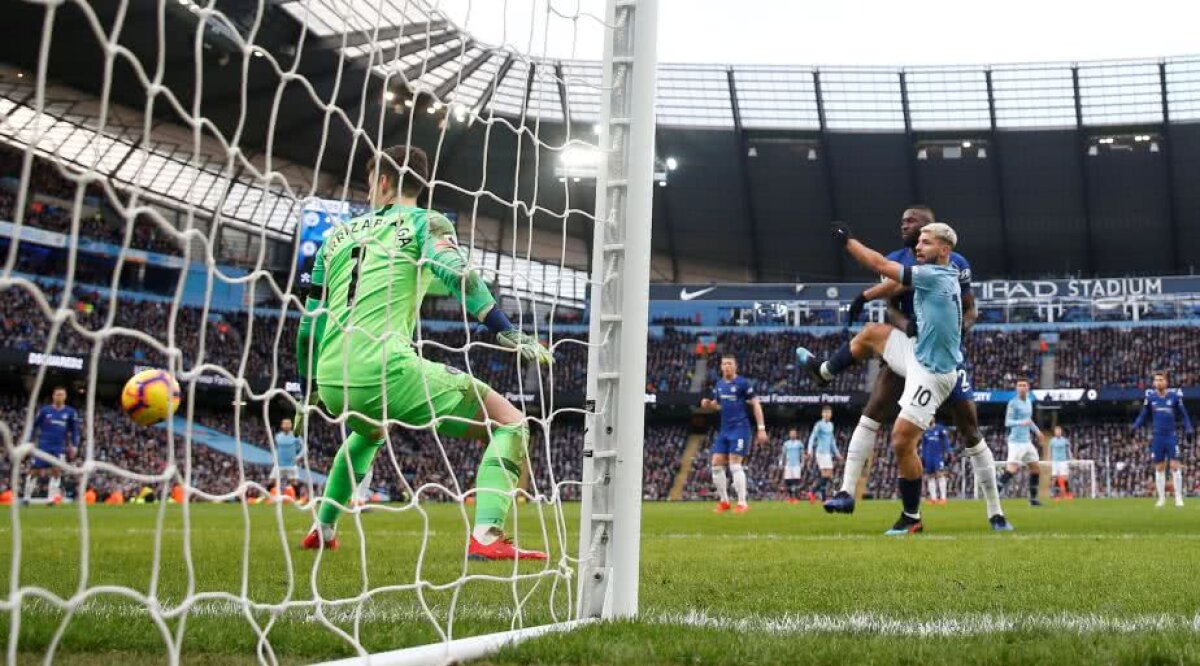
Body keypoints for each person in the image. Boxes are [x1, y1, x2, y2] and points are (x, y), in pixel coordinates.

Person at [295, 144, 553, 560]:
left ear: (382, 180)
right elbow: (457, 274)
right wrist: (504, 331)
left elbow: (309, 324)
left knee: (369, 432)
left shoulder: (332, 238)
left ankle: (323, 527)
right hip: (383, 366)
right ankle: (487, 534)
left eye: (369, 183)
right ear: (420, 181)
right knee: (511, 422)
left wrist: (307, 389)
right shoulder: (424, 223)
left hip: (330, 375)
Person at [802, 207, 1010, 532]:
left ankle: (963, 514)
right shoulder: (930, 269)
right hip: (914, 349)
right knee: (871, 335)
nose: (918, 245)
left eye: (925, 240)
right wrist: (865, 296)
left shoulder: (942, 274)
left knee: (910, 438)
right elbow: (895, 286)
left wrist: (847, 241)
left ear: (943, 248)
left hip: (935, 368)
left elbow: (881, 266)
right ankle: (825, 372)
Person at [700, 355, 768, 514]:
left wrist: (761, 428)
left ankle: (742, 503)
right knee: (716, 464)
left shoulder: (743, 384)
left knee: (735, 464)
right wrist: (709, 404)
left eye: (730, 363)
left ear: (735, 366)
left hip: (740, 429)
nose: (726, 366)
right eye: (724, 364)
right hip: (724, 430)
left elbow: (756, 404)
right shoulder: (719, 384)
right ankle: (724, 501)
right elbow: (718, 405)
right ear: (721, 367)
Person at [1132, 372, 1193, 508]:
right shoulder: (1151, 398)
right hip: (1157, 437)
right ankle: (1161, 498)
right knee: (1159, 468)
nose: (1158, 382)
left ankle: (1178, 498)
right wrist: (1135, 426)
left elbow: (1184, 415)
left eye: (1161, 380)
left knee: (1175, 466)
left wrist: (1189, 428)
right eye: (1156, 380)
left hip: (1170, 436)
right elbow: (1143, 415)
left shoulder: (1175, 397)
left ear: (1166, 382)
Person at [24, 386, 78, 504]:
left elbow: (74, 430)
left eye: (61, 394)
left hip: (59, 447)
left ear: (65, 397)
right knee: (34, 471)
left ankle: (51, 498)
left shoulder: (70, 412)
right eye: (57, 394)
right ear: (53, 396)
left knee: (56, 472)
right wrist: (29, 441)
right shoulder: (45, 411)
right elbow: (34, 426)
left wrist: (74, 445)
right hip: (43, 446)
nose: (59, 397)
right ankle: (26, 497)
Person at [997, 380, 1042, 507]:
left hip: (1027, 441)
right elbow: (1007, 422)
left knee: (1035, 468)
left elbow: (1029, 420)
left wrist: (1037, 432)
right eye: (1020, 385)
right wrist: (1020, 422)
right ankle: (994, 494)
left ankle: (1033, 500)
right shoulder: (1013, 403)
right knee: (1012, 469)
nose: (1022, 388)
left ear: (1028, 388)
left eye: (1024, 385)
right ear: (1016, 388)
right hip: (1016, 442)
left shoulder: (1029, 401)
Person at [804, 406, 841, 501]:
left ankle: (823, 499)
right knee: (828, 475)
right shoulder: (819, 425)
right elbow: (812, 437)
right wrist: (809, 451)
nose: (827, 414)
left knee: (825, 475)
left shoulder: (831, 425)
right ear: (822, 414)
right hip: (821, 452)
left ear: (831, 414)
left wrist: (837, 453)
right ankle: (812, 492)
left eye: (829, 413)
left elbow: (832, 441)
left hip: (828, 453)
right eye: (825, 413)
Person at [921, 422, 951, 505]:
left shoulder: (940, 428)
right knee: (930, 476)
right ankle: (933, 499)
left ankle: (943, 498)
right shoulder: (925, 431)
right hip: (928, 457)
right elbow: (923, 445)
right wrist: (923, 456)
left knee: (940, 474)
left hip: (938, 455)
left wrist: (948, 451)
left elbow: (945, 440)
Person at [273, 418, 304, 491]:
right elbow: (275, 448)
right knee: (272, 480)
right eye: (285, 424)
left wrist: (298, 457)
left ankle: (297, 497)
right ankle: (270, 497)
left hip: (291, 464)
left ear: (291, 426)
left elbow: (304, 448)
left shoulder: (295, 436)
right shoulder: (278, 436)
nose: (286, 426)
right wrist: (275, 457)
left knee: (294, 481)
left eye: (288, 424)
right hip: (280, 464)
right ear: (282, 426)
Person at [780, 428, 805, 504]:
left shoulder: (799, 443)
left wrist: (803, 462)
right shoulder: (786, 444)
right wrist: (781, 462)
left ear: (796, 435)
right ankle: (791, 498)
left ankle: (796, 497)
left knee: (796, 481)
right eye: (791, 433)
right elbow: (783, 454)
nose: (793, 435)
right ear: (789, 435)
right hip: (788, 464)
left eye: (794, 433)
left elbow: (802, 454)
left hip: (796, 465)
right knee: (788, 481)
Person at [1048, 426, 1073, 500]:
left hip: (1063, 461)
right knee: (1054, 477)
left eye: (1059, 431)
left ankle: (1068, 493)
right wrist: (1049, 458)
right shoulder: (1052, 441)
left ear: (1061, 432)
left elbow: (1068, 450)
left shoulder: (1065, 440)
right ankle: (1055, 494)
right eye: (1056, 431)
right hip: (1055, 461)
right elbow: (1050, 450)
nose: (1058, 432)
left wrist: (1071, 458)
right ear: (1055, 432)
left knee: (1064, 477)